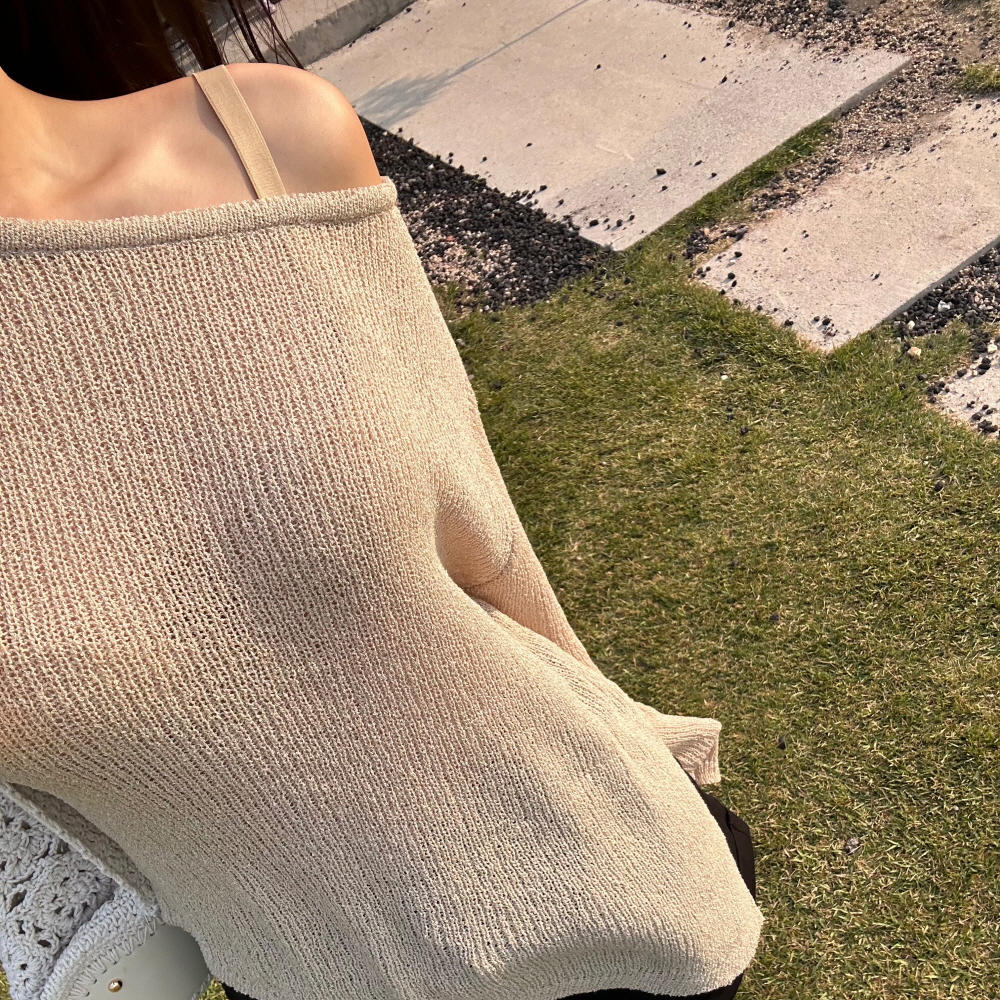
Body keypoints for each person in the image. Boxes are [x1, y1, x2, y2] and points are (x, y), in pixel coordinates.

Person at [0, 3, 763, 1000]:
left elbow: (494, 559)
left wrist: (656, 761)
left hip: (625, 901)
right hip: (308, 974)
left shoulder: (264, 145)